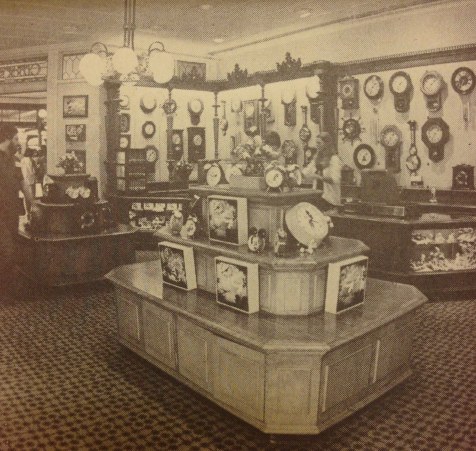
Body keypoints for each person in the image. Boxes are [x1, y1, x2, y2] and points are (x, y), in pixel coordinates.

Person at [0, 124, 21, 294]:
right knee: (8, 252)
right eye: (16, 138)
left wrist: (32, 203)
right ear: (7, 138)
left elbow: (22, 182)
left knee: (10, 251)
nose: (18, 142)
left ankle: (7, 291)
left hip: (12, 212)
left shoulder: (13, 159)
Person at [302, 132, 342, 211]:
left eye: (319, 143)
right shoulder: (317, 159)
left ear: (326, 144)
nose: (317, 145)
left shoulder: (334, 159)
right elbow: (306, 171)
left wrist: (318, 177)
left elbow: (335, 179)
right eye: (316, 143)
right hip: (317, 197)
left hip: (330, 199)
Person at [20, 147, 40, 223]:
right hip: (30, 181)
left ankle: (27, 213)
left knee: (26, 197)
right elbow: (32, 171)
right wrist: (37, 168)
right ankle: (30, 213)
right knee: (32, 197)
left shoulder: (23, 160)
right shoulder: (30, 160)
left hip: (25, 181)